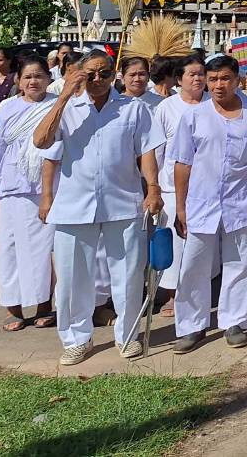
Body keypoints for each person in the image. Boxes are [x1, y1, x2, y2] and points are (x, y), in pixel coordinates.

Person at [33, 48, 162, 364]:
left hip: (123, 201)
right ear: (79, 74)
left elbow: (146, 151)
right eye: (90, 74)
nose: (97, 79)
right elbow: (41, 142)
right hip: (74, 205)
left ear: (113, 74)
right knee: (72, 276)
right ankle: (76, 339)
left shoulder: (132, 108)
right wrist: (64, 96)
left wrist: (153, 188)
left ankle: (128, 335)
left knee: (129, 274)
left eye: (104, 73)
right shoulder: (67, 109)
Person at [170, 55, 247, 352]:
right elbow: (182, 163)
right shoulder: (194, 116)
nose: (218, 85)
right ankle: (191, 326)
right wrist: (180, 206)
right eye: (212, 79)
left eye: (225, 78)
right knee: (193, 266)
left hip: (242, 201)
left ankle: (235, 322)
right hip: (200, 203)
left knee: (241, 263)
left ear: (237, 80)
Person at [0, 53, 57, 331]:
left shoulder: (59, 106)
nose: (33, 81)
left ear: (49, 78)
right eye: (28, 77)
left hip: (48, 188)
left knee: (43, 251)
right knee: (10, 249)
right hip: (12, 187)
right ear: (18, 81)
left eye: (39, 76)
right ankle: (14, 308)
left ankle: (44, 306)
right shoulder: (7, 108)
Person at [151, 55, 210, 315]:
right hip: (172, 186)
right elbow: (157, 150)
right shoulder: (167, 107)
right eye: (191, 74)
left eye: (201, 74)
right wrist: (153, 185)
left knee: (201, 245)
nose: (197, 79)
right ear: (179, 79)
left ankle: (198, 294)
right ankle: (174, 295)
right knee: (176, 241)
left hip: (207, 185)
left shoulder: (214, 103)